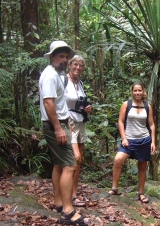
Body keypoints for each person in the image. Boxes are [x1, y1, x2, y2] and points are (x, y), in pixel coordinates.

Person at [39, 40, 90, 225]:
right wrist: (58, 127)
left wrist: (64, 122)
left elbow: (57, 104)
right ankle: (68, 211)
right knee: (70, 165)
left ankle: (59, 203)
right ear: (52, 57)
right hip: (54, 125)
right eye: (61, 56)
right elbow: (48, 102)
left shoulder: (54, 74)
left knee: (59, 165)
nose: (64, 60)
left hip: (60, 122)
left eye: (66, 57)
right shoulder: (51, 75)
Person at [108, 81, 156, 203]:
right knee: (118, 160)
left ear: (143, 91)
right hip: (129, 140)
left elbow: (151, 124)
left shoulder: (147, 106)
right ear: (132, 92)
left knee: (142, 167)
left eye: (140, 90)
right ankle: (114, 188)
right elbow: (120, 122)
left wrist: (153, 141)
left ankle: (141, 193)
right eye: (135, 90)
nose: (137, 93)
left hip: (144, 140)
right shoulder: (126, 104)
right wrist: (123, 138)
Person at [64, 55, 92, 206]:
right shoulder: (63, 81)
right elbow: (57, 102)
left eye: (80, 66)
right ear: (70, 65)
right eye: (75, 64)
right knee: (74, 158)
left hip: (81, 121)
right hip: (69, 121)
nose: (78, 68)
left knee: (80, 159)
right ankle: (66, 194)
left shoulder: (79, 83)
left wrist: (88, 108)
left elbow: (81, 103)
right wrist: (63, 123)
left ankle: (74, 193)